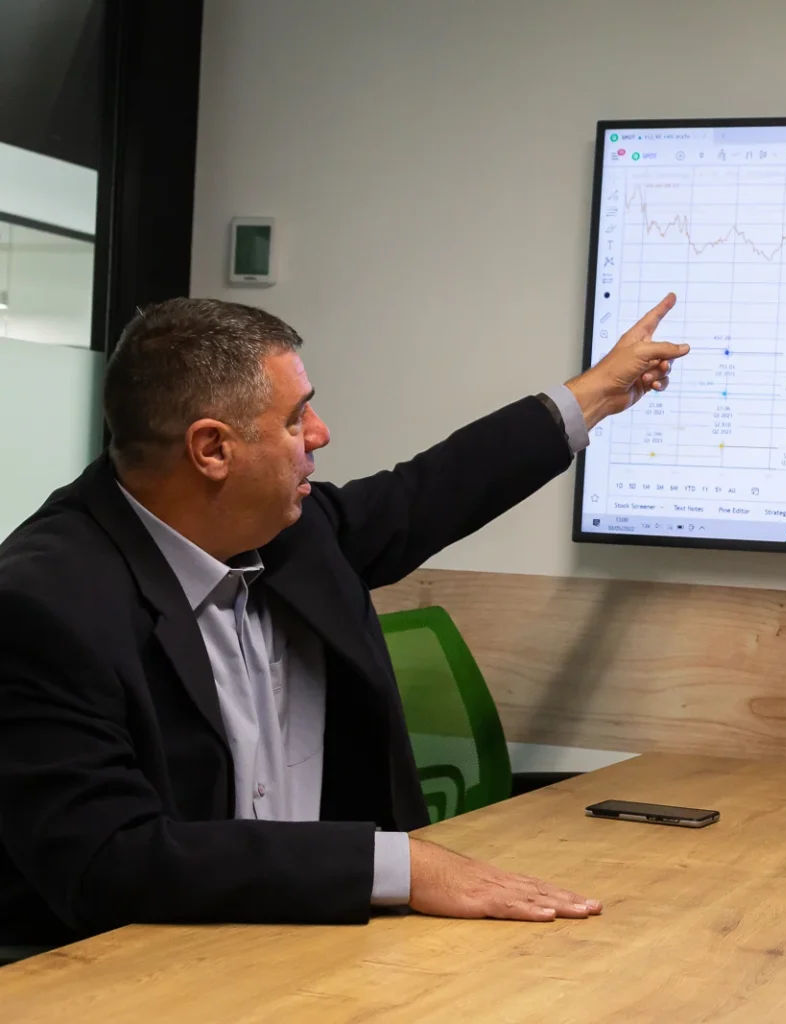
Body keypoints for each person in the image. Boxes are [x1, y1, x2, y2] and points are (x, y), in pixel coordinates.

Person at [0, 293, 687, 947]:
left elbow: (430, 492)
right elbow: (109, 858)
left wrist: (597, 393)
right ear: (212, 449)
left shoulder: (287, 528)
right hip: (132, 969)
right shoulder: (42, 604)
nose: (320, 434)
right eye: (295, 418)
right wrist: (397, 867)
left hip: (313, 943)